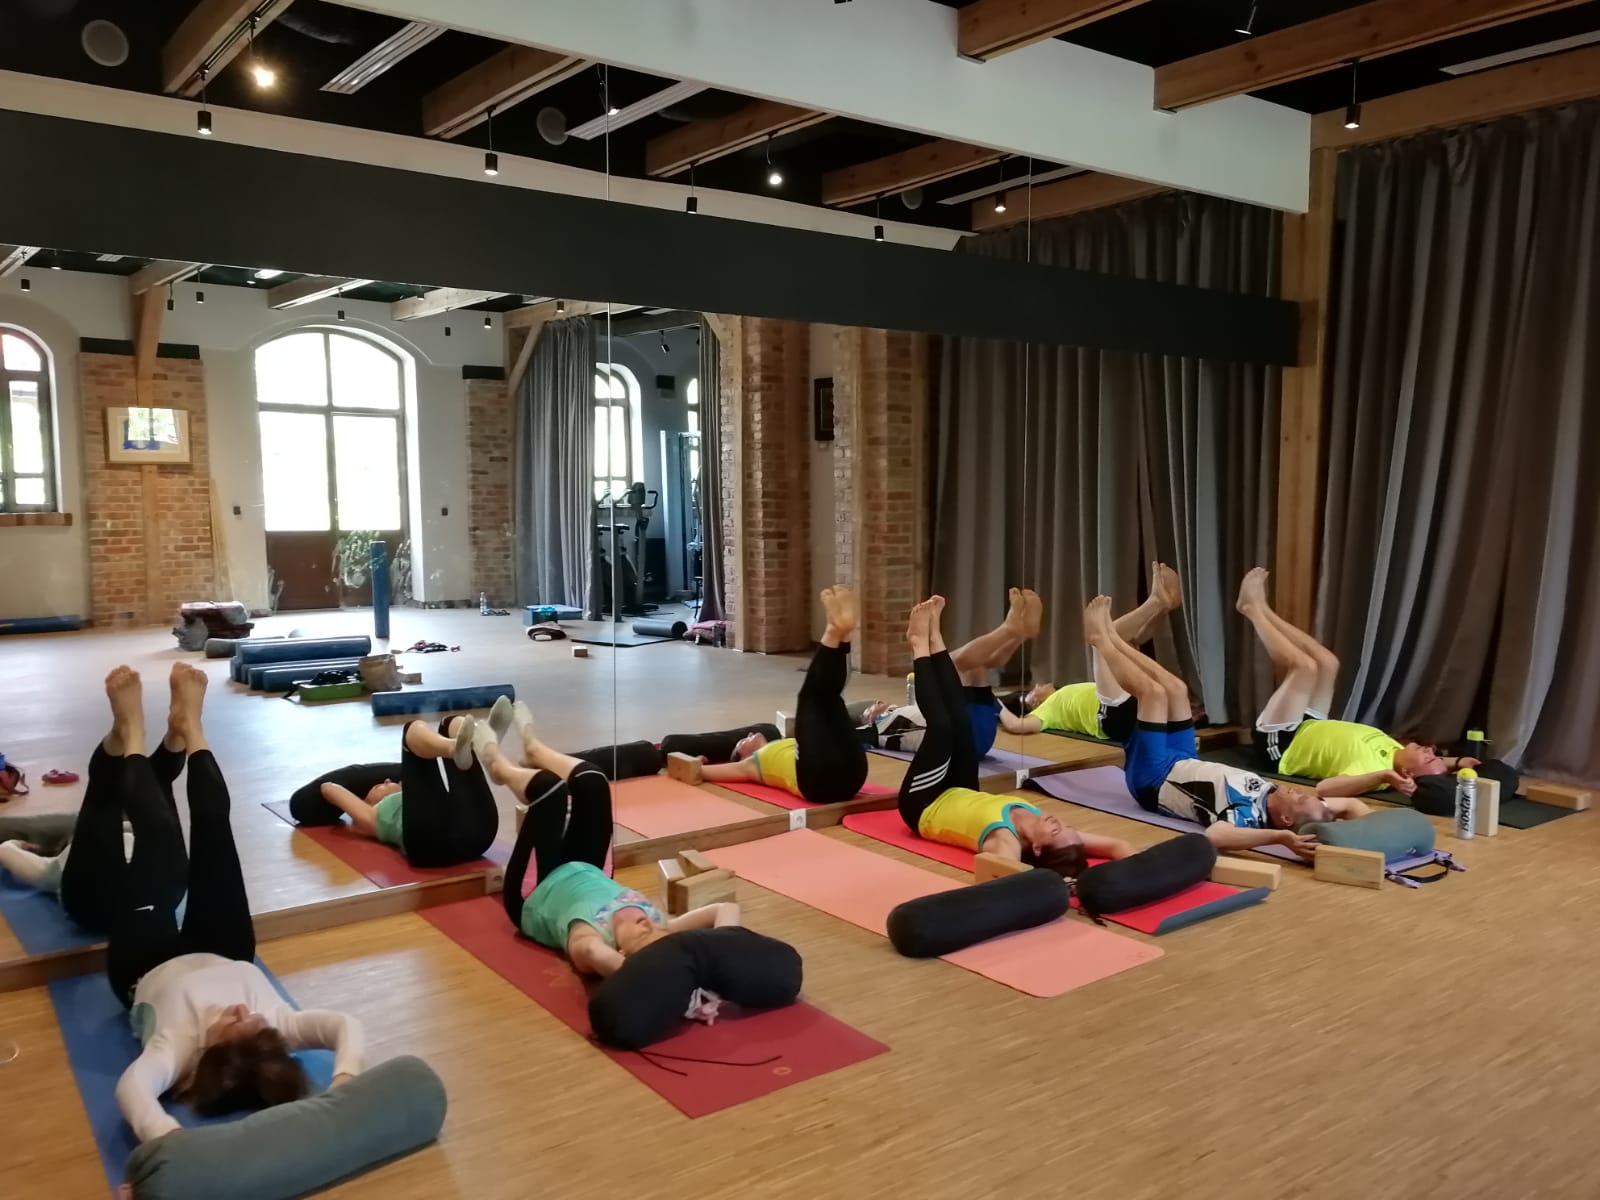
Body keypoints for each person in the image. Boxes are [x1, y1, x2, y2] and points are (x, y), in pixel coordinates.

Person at [85, 664, 362, 1145]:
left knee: (160, 836)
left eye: (233, 1023)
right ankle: (191, 728)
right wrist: (345, 1082)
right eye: (254, 1021)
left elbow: (133, 1090)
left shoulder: (176, 1051)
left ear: (205, 1061)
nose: (242, 1010)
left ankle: (131, 732)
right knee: (214, 821)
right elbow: (345, 1026)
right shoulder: (275, 1028)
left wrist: (166, 1137)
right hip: (224, 947)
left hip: (141, 965)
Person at [1085, 594, 1370, 859]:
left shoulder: (1248, 816)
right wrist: (1367, 834)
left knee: (1154, 694)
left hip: (1154, 780)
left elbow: (1216, 837)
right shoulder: (1308, 811)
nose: (1299, 792)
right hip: (1185, 760)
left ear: (1285, 819)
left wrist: (1281, 838)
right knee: (1177, 689)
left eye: (1299, 799)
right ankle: (1115, 640)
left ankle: (1101, 642)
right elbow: (1352, 805)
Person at [490, 701, 740, 976]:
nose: (649, 924)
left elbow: (593, 954)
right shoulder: (661, 924)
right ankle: (534, 749)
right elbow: (724, 909)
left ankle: (497, 766)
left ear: (622, 954)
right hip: (589, 868)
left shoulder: (589, 938)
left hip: (536, 892)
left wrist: (636, 975)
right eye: (661, 935)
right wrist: (720, 961)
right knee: (594, 782)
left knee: (551, 792)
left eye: (645, 937)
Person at [895, 596, 1134, 872]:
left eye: (1056, 831)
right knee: (961, 721)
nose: (1057, 822)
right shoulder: (1055, 832)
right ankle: (934, 636)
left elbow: (1005, 877)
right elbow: (1118, 847)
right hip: (962, 789)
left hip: (926, 803)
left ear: (1037, 848)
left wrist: (1054, 885)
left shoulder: (1005, 841)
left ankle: (918, 643)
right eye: (1067, 825)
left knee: (942, 727)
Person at [1236, 567, 1475, 797]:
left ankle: (1251, 610)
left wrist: (1383, 776)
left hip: (1283, 747)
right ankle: (1264, 610)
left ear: (1406, 774)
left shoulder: (1372, 771)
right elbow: (1430, 769)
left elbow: (1325, 789)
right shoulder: (1398, 753)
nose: (1429, 750)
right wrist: (1458, 761)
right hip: (1309, 726)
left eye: (1429, 758)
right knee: (1329, 663)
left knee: (1304, 667)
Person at [669, 586, 870, 806]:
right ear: (742, 755)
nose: (750, 734)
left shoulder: (788, 745)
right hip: (819, 782)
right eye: (743, 741)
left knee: (831, 698)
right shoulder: (750, 766)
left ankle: (843, 636)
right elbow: (702, 773)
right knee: (810, 698)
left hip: (849, 772)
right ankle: (834, 632)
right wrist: (698, 763)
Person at [300, 700, 504, 868]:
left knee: (448, 724)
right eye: (378, 787)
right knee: (411, 730)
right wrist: (352, 794)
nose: (387, 780)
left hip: (477, 835)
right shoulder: (375, 817)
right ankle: (456, 747)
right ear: (369, 802)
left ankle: (480, 741)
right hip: (432, 846)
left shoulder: (415, 801)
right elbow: (329, 788)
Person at [1002, 564, 1188, 744]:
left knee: (1126, 642)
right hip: (1113, 718)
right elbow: (1016, 725)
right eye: (1034, 689)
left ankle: (1161, 607)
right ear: (1033, 701)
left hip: (1131, 706)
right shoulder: (1045, 710)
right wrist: (993, 702)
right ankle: (1155, 603)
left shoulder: (1064, 693)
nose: (1040, 685)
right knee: (1103, 639)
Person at [857, 586, 1042, 759]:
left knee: (976, 665)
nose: (878, 703)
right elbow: (852, 738)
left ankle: (1020, 634)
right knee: (952, 664)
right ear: (870, 719)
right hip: (961, 740)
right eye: (870, 709)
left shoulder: (899, 715)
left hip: (975, 731)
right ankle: (1009, 630)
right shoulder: (878, 728)